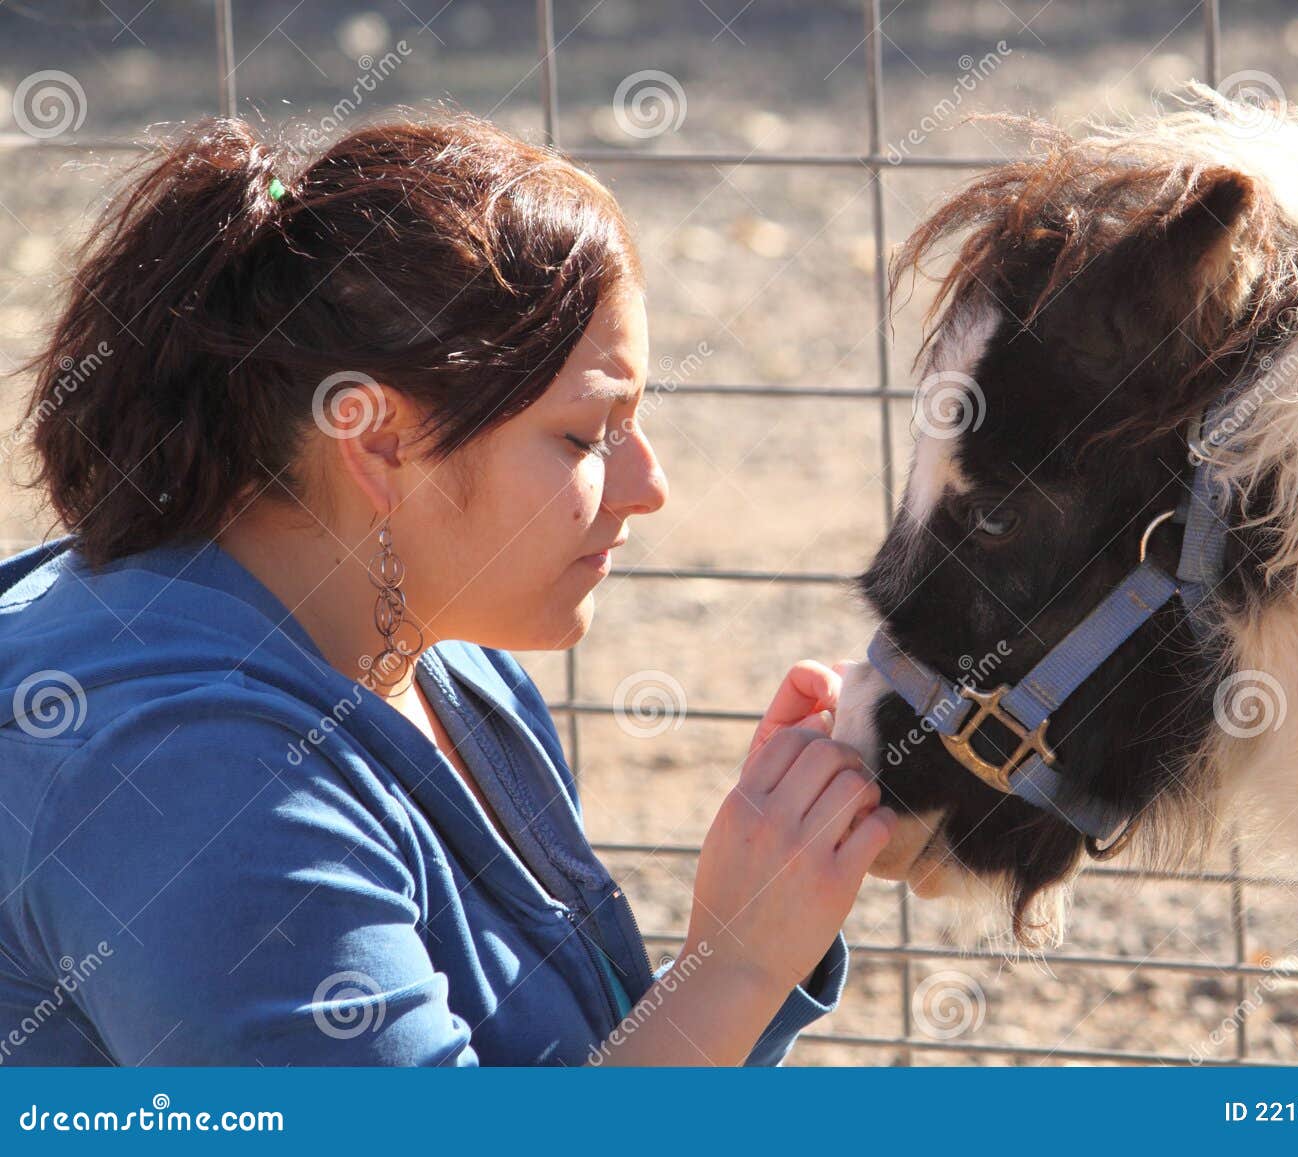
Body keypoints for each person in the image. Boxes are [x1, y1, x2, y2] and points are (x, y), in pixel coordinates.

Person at [0, 113, 893, 1066]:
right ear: (379, 442)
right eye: (586, 435)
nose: (650, 486)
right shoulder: (196, 790)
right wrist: (736, 967)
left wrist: (754, 931)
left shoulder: (439, 661)